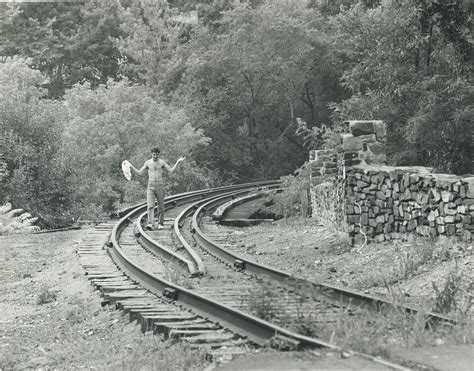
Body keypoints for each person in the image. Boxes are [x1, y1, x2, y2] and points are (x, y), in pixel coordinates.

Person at [130, 148, 185, 230]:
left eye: (156, 154)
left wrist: (178, 162)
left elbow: (171, 170)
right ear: (151, 154)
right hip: (150, 186)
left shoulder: (162, 162)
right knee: (150, 206)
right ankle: (150, 224)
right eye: (153, 154)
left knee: (161, 206)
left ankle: (160, 223)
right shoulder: (148, 163)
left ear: (159, 154)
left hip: (160, 185)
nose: (155, 156)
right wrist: (131, 166)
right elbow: (140, 172)